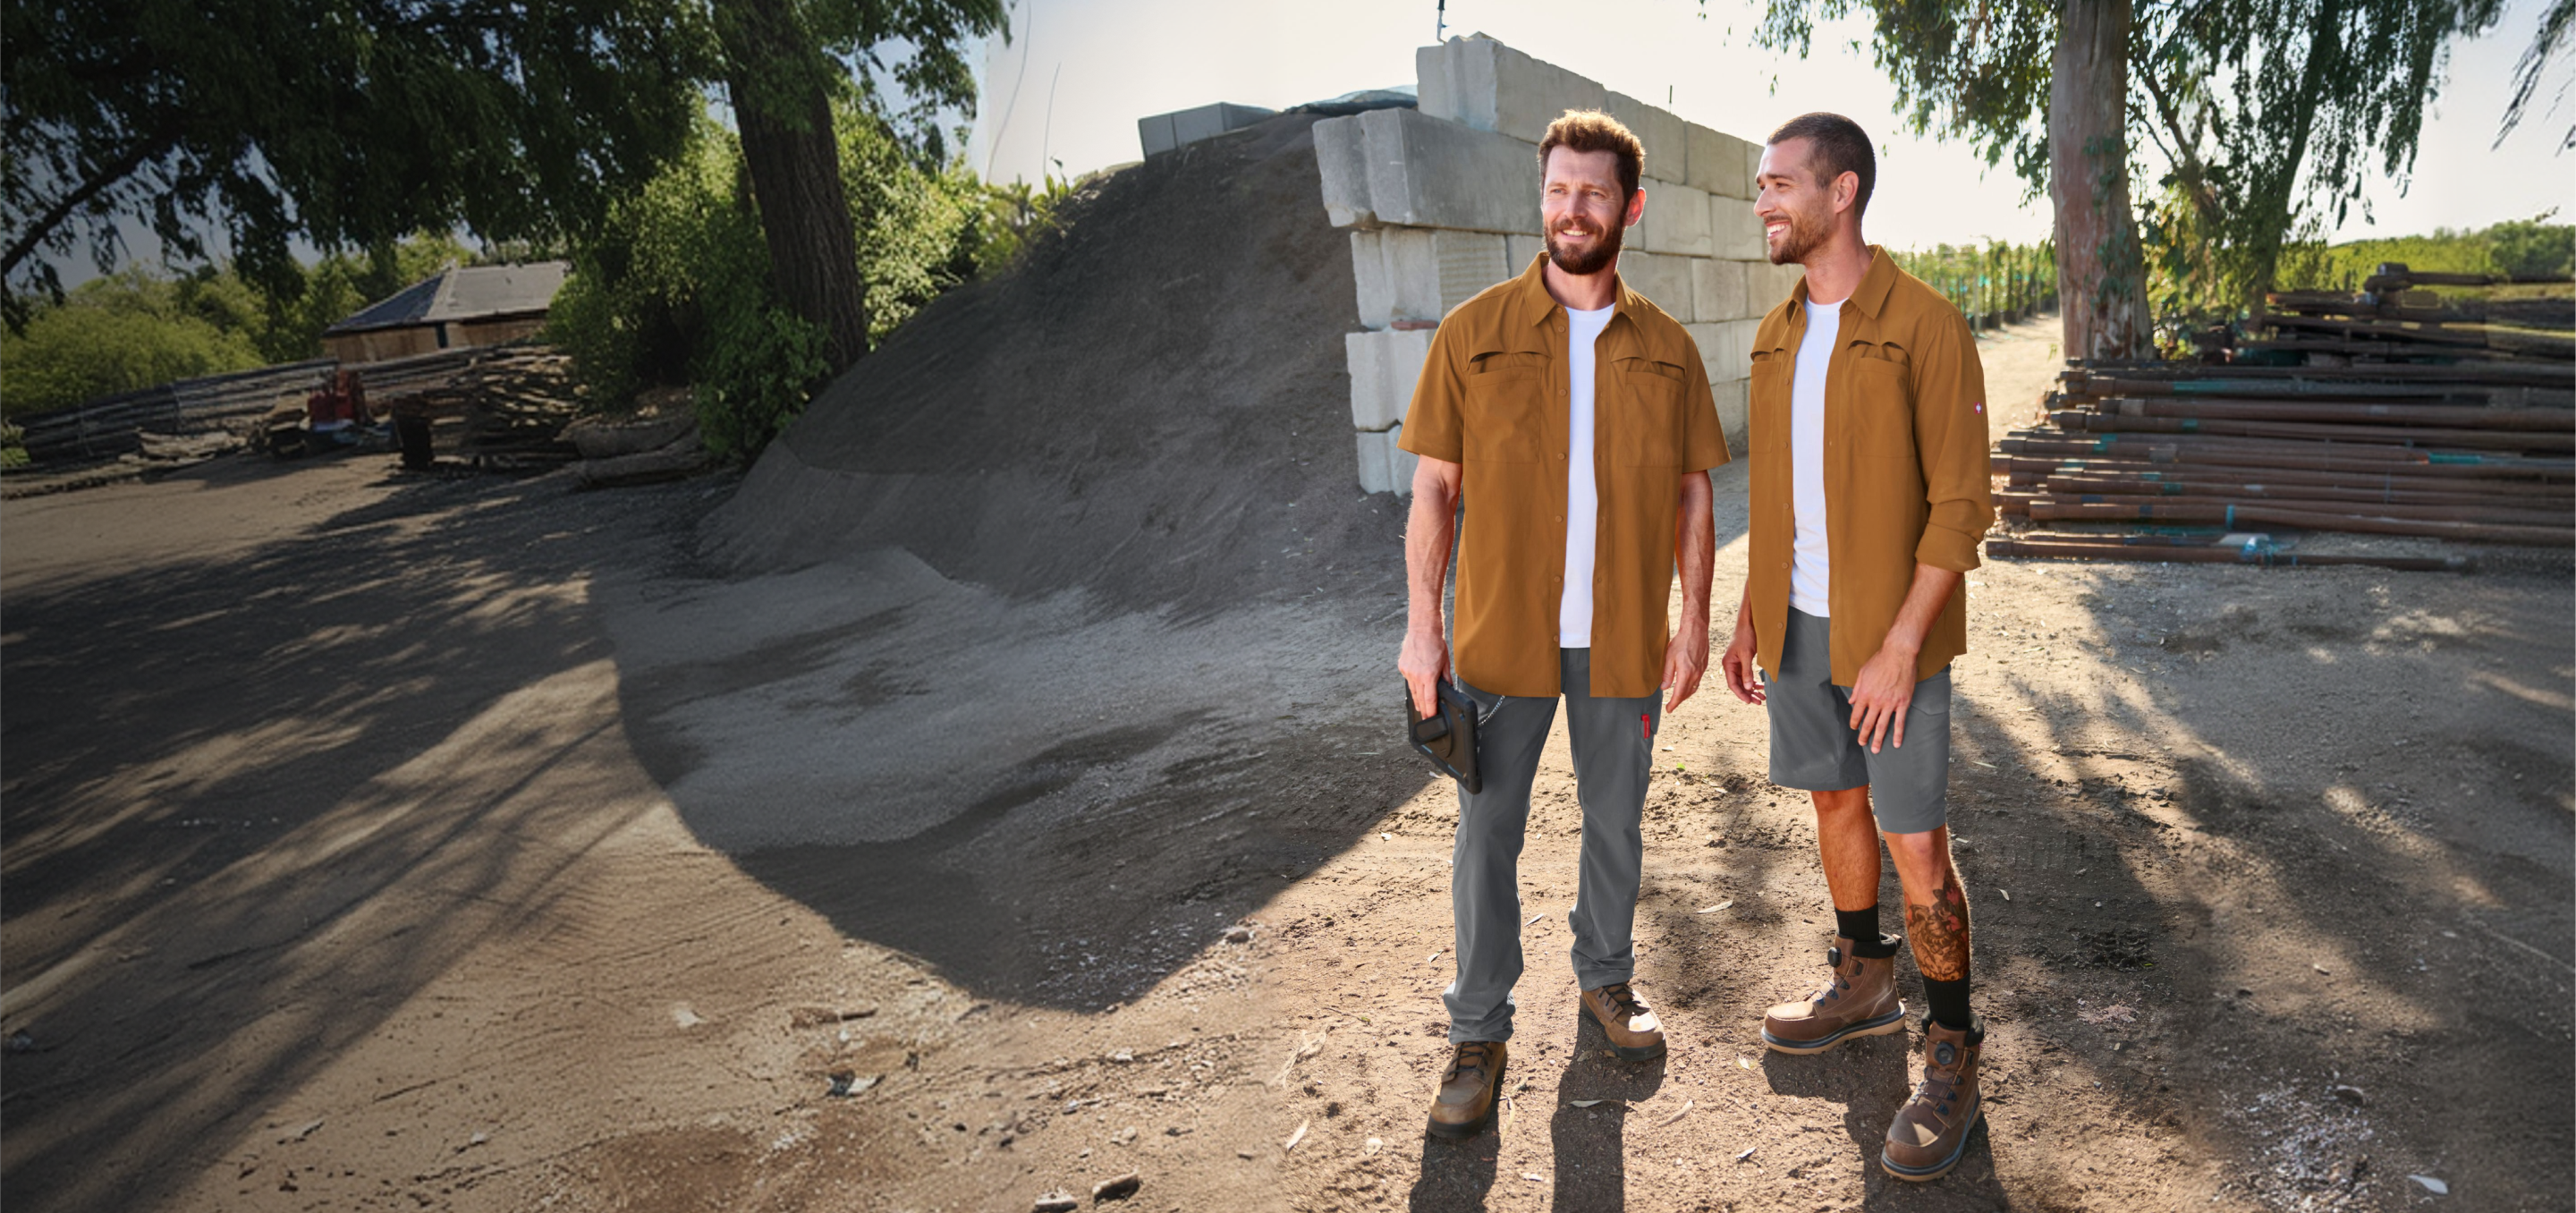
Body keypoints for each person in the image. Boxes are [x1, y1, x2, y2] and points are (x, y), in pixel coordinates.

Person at [1396, 109, 1728, 1141]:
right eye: (1555, 191)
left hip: (1624, 637)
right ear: (1539, 201)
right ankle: (1478, 1031)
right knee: (1486, 837)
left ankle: (1607, 981)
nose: (1570, 210)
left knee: (1616, 824)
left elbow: (1693, 498)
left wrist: (1694, 623)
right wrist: (1420, 627)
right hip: (1500, 638)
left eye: (1591, 193)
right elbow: (1434, 490)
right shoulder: (1473, 333)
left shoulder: (1669, 351)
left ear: (1629, 208)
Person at [1717, 112, 1998, 1182]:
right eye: (1760, 186)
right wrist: (1750, 613)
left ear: (1842, 193)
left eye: (1780, 184)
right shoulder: (1775, 332)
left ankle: (1954, 1042)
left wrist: (1899, 648)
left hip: (1895, 637)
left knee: (1916, 841)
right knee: (1834, 803)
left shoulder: (1926, 325)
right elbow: (1778, 497)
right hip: (1797, 627)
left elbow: (1961, 507)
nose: (1763, 204)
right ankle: (1865, 977)